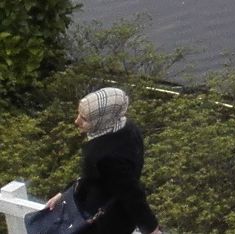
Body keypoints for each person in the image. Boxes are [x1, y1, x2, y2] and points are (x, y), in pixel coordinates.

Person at [47, 88, 157, 234]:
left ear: (103, 119)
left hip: (106, 221)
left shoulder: (105, 155)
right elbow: (96, 177)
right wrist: (65, 193)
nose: (76, 121)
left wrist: (151, 228)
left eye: (84, 118)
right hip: (115, 213)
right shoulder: (126, 127)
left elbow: (131, 194)